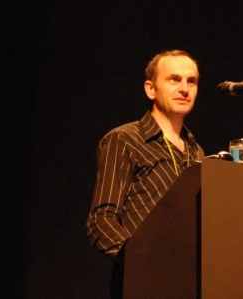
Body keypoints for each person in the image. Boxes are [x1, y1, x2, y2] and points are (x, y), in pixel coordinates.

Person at [85, 49, 205, 297]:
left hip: (191, 286)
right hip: (141, 285)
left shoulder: (197, 151)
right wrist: (141, 260)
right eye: (174, 79)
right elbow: (101, 221)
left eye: (191, 81)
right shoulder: (125, 139)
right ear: (151, 89)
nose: (184, 88)